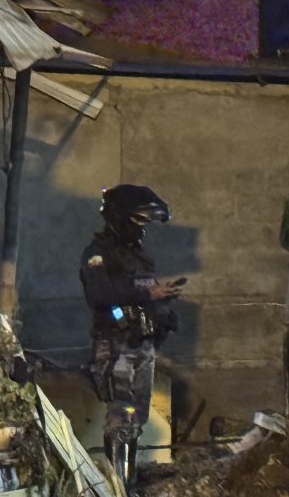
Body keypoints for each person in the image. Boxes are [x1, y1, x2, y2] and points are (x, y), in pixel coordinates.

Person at [80, 184, 184, 488]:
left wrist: (160, 302)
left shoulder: (138, 256)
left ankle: (128, 482)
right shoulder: (97, 254)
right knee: (120, 418)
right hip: (115, 347)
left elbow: (143, 293)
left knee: (135, 419)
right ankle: (117, 487)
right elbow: (99, 295)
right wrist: (146, 293)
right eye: (139, 222)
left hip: (142, 346)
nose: (143, 229)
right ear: (120, 218)